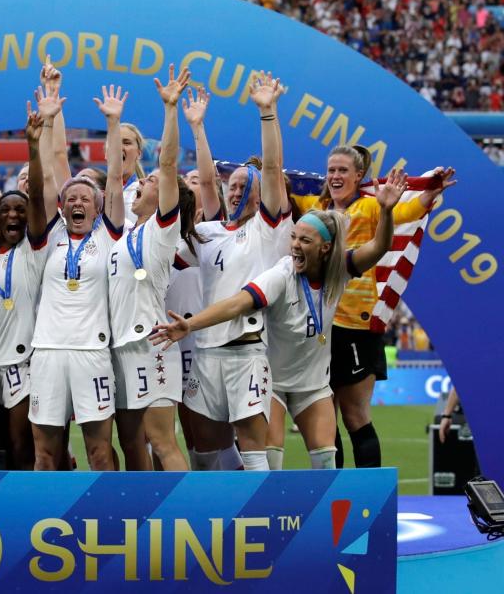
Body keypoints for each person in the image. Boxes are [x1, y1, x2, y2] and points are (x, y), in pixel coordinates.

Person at [153, 169, 406, 469]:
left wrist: (387, 211)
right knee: (269, 461)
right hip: (272, 382)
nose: (295, 245)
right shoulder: (281, 274)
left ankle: (324, 516)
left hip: (313, 385)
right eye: (294, 237)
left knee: (326, 464)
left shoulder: (338, 271)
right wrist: (190, 325)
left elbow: (379, 247)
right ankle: (267, 514)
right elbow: (236, 304)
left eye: (305, 241)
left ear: (325, 248)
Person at [290, 146, 455, 468]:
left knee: (354, 416)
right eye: (331, 170)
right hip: (318, 326)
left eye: (342, 171)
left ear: (358, 176)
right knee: (324, 417)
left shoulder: (369, 206)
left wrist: (427, 193)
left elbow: (409, 213)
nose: (335, 176)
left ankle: (371, 498)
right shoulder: (316, 209)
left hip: (355, 326)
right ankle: (332, 493)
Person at [173, 73, 291, 471]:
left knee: (253, 449)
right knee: (204, 452)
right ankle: (210, 523)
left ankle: (265, 524)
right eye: (233, 186)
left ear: (262, 194)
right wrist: (195, 127)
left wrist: (267, 113)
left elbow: (272, 167)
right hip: (205, 353)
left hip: (246, 351)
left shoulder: (268, 230)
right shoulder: (207, 233)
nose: (236, 191)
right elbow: (206, 181)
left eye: (245, 186)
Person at [28, 84, 127, 471]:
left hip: (92, 352)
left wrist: (113, 123)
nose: (77, 202)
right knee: (46, 454)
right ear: (62, 207)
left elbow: (116, 177)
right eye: (71, 199)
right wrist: (48, 120)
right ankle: (44, 521)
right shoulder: (48, 236)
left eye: (86, 198)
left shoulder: (108, 235)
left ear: (99, 206)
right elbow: (46, 176)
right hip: (48, 352)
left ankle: (107, 523)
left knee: (99, 452)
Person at [108, 65, 191, 472]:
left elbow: (170, 163)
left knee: (162, 442)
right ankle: (143, 521)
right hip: (120, 345)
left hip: (151, 342)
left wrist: (171, 110)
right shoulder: (123, 233)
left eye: (153, 181)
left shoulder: (162, 229)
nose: (144, 183)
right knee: (132, 445)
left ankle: (186, 520)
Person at [0, 106, 51, 471]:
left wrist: (33, 146)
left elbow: (37, 195)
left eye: (19, 211)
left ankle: (26, 513)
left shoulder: (35, 249)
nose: (12, 215)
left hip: (23, 364)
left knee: (22, 444)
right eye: (5, 210)